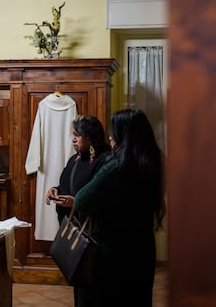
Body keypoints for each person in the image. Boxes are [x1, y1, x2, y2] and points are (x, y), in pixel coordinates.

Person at [73, 109, 166, 307]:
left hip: (112, 254)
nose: (110, 137)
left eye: (113, 132)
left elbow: (81, 201)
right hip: (142, 250)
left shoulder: (116, 167)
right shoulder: (153, 163)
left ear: (123, 136)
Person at [45, 114, 110, 306]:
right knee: (79, 284)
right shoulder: (74, 159)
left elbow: (101, 196)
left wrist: (76, 202)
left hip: (93, 235)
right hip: (74, 231)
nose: (73, 139)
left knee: (93, 289)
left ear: (90, 137)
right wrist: (55, 190)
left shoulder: (104, 160)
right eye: (73, 134)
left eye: (78, 135)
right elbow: (67, 185)